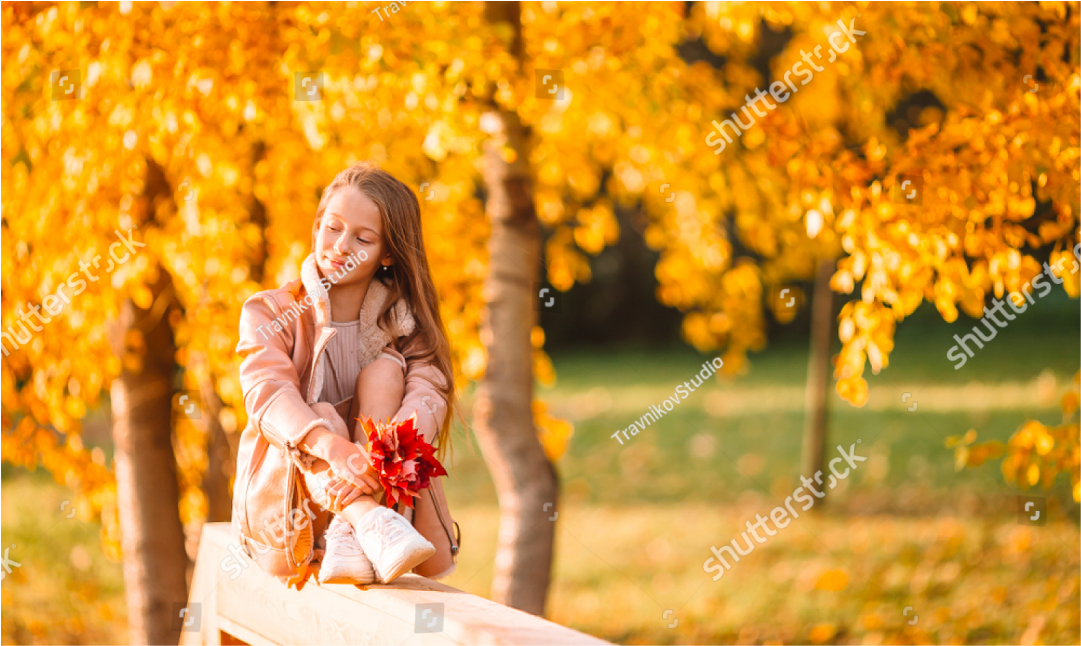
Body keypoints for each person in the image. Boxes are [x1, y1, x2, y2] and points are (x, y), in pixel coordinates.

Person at [233, 161, 458, 587]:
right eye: (332, 227)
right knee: (317, 412)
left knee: (387, 373)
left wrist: (381, 459)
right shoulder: (270, 312)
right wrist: (332, 446)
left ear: (387, 254)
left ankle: (354, 531)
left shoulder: (404, 322)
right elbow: (267, 393)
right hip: (296, 509)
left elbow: (430, 393)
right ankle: (362, 519)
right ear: (317, 226)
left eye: (362, 238)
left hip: (383, 490)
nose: (339, 245)